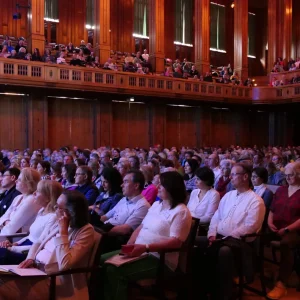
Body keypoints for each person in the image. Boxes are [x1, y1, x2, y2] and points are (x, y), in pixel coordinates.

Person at [101, 171, 192, 300]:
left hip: (159, 259)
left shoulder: (181, 211)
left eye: (162, 185)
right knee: (101, 260)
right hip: (139, 251)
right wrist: (129, 246)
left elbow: (176, 242)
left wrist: (146, 247)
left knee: (114, 270)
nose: (157, 187)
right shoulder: (156, 205)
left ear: (172, 187)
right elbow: (140, 227)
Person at [0, 190, 95, 300]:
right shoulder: (57, 221)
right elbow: (38, 242)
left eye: (59, 207)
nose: (55, 209)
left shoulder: (86, 231)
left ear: (71, 212)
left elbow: (65, 264)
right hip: (35, 271)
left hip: (54, 280)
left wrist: (63, 232)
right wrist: (30, 258)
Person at [198, 163, 265, 300]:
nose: (230, 177)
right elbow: (216, 217)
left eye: (234, 174)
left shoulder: (256, 201)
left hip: (240, 243)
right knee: (194, 241)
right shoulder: (228, 195)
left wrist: (223, 239)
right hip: (218, 237)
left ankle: (224, 294)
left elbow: (251, 227)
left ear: (245, 176)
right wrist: (211, 234)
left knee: (224, 250)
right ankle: (200, 288)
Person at [0, 180, 62, 264]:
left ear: (48, 198)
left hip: (28, 255)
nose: (34, 193)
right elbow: (30, 236)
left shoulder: (53, 217)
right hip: (19, 248)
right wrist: (13, 244)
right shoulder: (41, 211)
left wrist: (12, 249)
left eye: (38, 191)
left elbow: (40, 244)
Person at [267, 162, 300, 299]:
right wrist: (269, 223)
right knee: (253, 236)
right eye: (285, 175)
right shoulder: (281, 190)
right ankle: (249, 272)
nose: (287, 178)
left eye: (291, 175)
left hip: (295, 230)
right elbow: (272, 209)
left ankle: (281, 283)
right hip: (276, 227)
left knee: (286, 243)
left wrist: (286, 229)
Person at [98, 170, 150, 253]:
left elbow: (125, 229)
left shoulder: (143, 206)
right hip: (105, 228)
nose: (121, 185)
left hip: (115, 238)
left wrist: (99, 233)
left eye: (125, 182)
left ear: (136, 185)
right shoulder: (123, 199)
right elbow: (105, 217)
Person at [0, 168, 42, 235]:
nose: (16, 181)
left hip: (16, 239)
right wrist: (5, 222)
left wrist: (4, 223)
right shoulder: (18, 197)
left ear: (29, 183)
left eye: (19, 180)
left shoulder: (32, 200)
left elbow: (11, 229)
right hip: (6, 235)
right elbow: (2, 218)